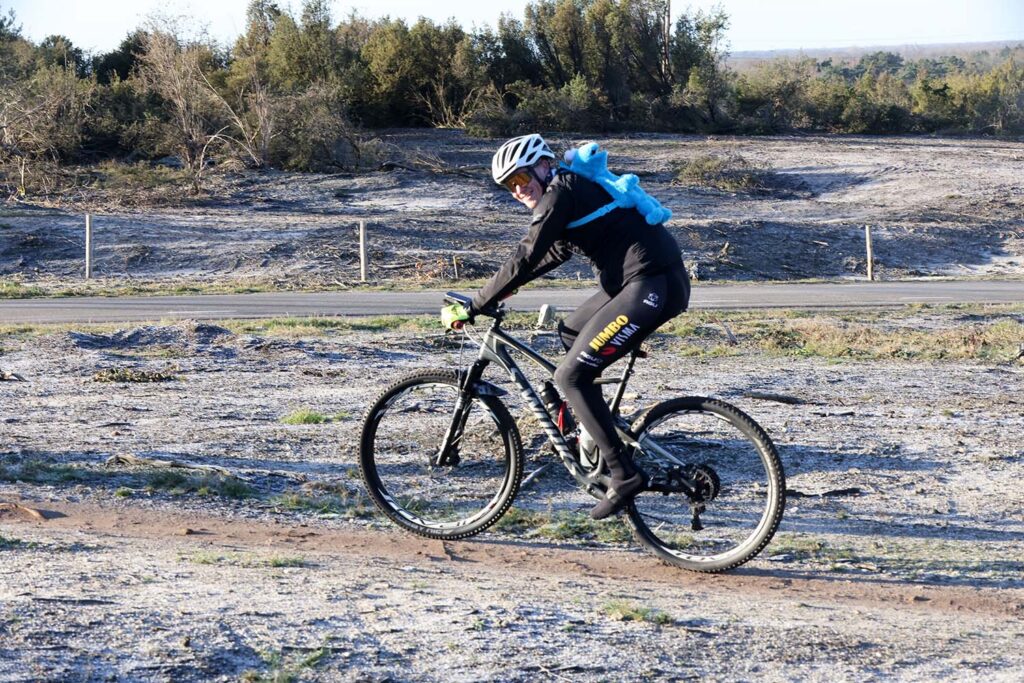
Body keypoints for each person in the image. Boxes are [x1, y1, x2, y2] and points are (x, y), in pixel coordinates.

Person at [441, 133, 690, 520]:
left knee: (570, 376)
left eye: (522, 179)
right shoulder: (568, 190)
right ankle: (594, 429)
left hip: (651, 284)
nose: (518, 190)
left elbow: (526, 254)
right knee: (571, 333)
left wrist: (476, 304)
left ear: (544, 165)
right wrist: (504, 290)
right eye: (509, 185)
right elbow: (553, 251)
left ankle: (624, 475)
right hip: (637, 282)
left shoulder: (561, 190)